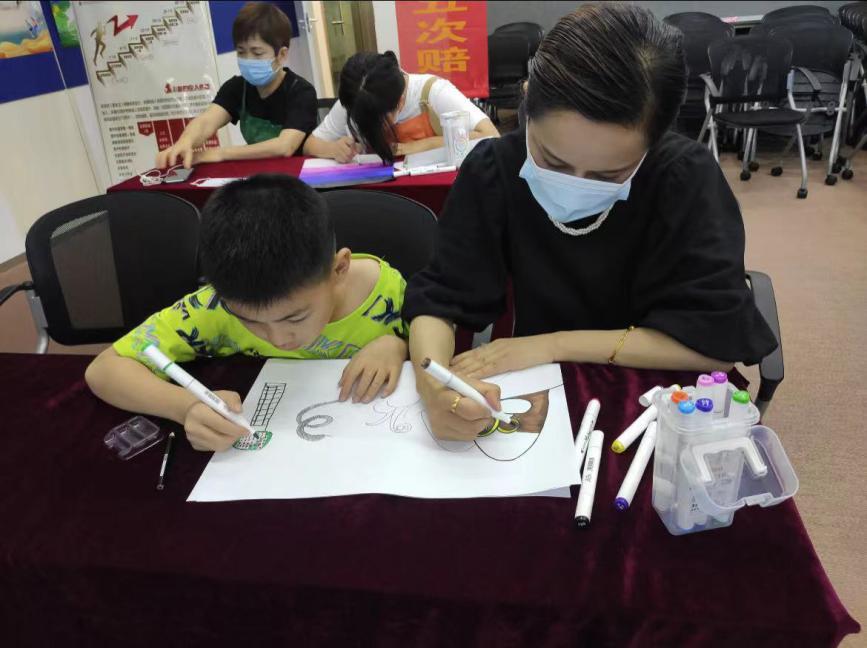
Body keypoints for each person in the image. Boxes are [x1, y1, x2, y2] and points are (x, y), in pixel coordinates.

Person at [402, 4, 778, 441]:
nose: (575, 184)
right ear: (528, 100)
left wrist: (550, 344)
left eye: (608, 175)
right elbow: (440, 298)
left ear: (653, 141)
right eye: (552, 160)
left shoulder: (684, 178)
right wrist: (433, 387)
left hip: (660, 396)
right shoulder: (494, 169)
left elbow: (714, 347)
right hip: (540, 386)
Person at [85, 175, 409, 452]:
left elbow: (433, 343)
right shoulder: (215, 306)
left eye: (294, 318)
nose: (278, 339)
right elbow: (104, 369)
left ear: (338, 270)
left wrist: (398, 345)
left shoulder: (387, 294)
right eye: (250, 321)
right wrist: (185, 407)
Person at [155, 2, 317, 169]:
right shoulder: (237, 88)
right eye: (241, 52)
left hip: (299, 174)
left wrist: (221, 153)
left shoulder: (301, 91)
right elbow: (207, 121)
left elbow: (284, 146)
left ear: (281, 55)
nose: (248, 59)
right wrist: (185, 142)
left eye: (257, 53)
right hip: (258, 173)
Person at [304, 51, 500, 163]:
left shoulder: (434, 92)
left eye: (378, 119)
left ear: (399, 102)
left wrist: (420, 146)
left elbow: (490, 135)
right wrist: (333, 149)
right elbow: (310, 144)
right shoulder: (356, 99)